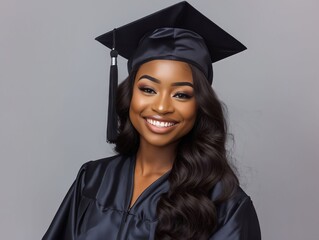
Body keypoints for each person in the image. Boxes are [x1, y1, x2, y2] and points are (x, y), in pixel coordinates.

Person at [43, 2, 261, 239]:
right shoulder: (93, 179)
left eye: (181, 94)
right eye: (148, 89)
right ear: (130, 95)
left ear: (200, 106)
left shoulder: (225, 205)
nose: (161, 106)